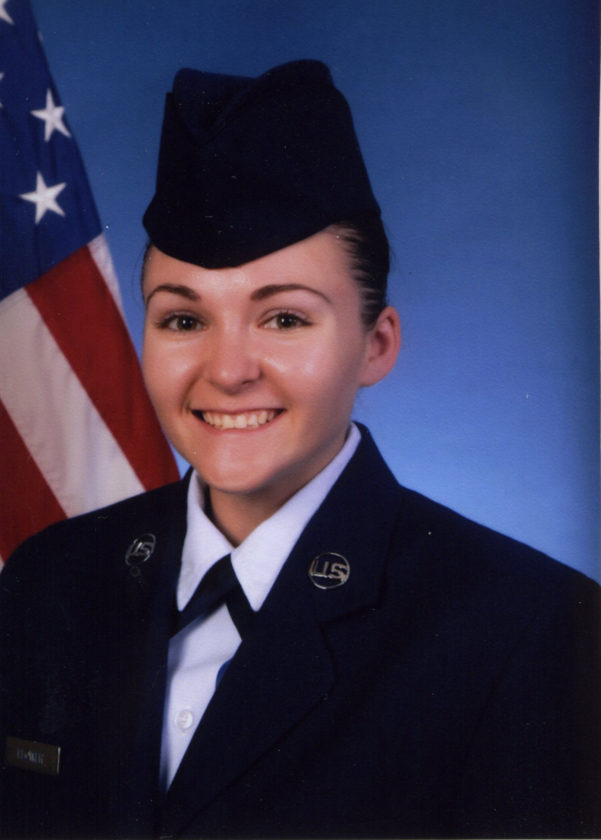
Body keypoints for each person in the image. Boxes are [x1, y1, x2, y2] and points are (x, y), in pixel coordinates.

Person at [0, 60, 599, 839]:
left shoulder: (531, 631)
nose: (227, 370)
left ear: (376, 344)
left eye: (283, 318)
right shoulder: (50, 580)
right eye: (183, 320)